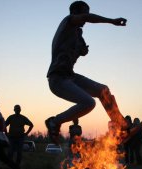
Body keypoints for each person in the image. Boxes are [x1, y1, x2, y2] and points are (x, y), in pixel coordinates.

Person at [45, 1, 130, 144]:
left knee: (103, 90)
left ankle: (120, 124)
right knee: (88, 103)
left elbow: (81, 49)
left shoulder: (77, 33)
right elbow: (85, 18)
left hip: (70, 76)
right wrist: (111, 21)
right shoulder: (67, 22)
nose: (86, 19)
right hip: (57, 79)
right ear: (75, 13)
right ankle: (55, 121)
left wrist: (82, 50)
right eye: (85, 13)